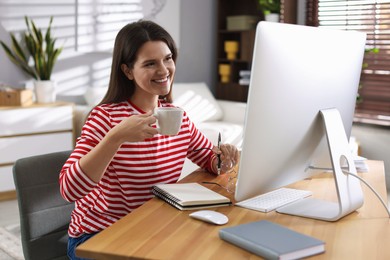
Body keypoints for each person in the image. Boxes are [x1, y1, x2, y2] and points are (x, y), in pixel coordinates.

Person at [60, 19, 239, 259]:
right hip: (98, 236)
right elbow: (69, 189)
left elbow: (209, 158)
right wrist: (115, 138)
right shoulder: (105, 118)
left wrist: (223, 159)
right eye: (150, 63)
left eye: (168, 58)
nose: (164, 70)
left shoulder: (177, 117)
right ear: (127, 71)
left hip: (153, 227)